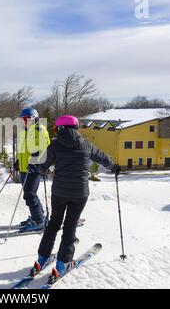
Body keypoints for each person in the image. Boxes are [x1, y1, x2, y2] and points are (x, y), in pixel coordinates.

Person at [31, 115, 120, 282]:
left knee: (53, 224)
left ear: (60, 128)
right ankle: (63, 263)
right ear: (76, 127)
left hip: (59, 193)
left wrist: (41, 169)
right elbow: (101, 157)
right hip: (80, 193)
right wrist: (114, 166)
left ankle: (42, 257)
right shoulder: (86, 144)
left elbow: (42, 166)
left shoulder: (55, 144)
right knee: (70, 227)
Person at [14, 108, 51, 232]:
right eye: (23, 119)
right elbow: (23, 149)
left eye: (27, 119)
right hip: (24, 168)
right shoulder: (23, 131)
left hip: (34, 168)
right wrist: (18, 161)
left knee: (29, 195)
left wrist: (35, 162)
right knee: (30, 194)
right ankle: (38, 216)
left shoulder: (39, 130)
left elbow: (45, 149)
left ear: (34, 118)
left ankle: (39, 221)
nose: (25, 121)